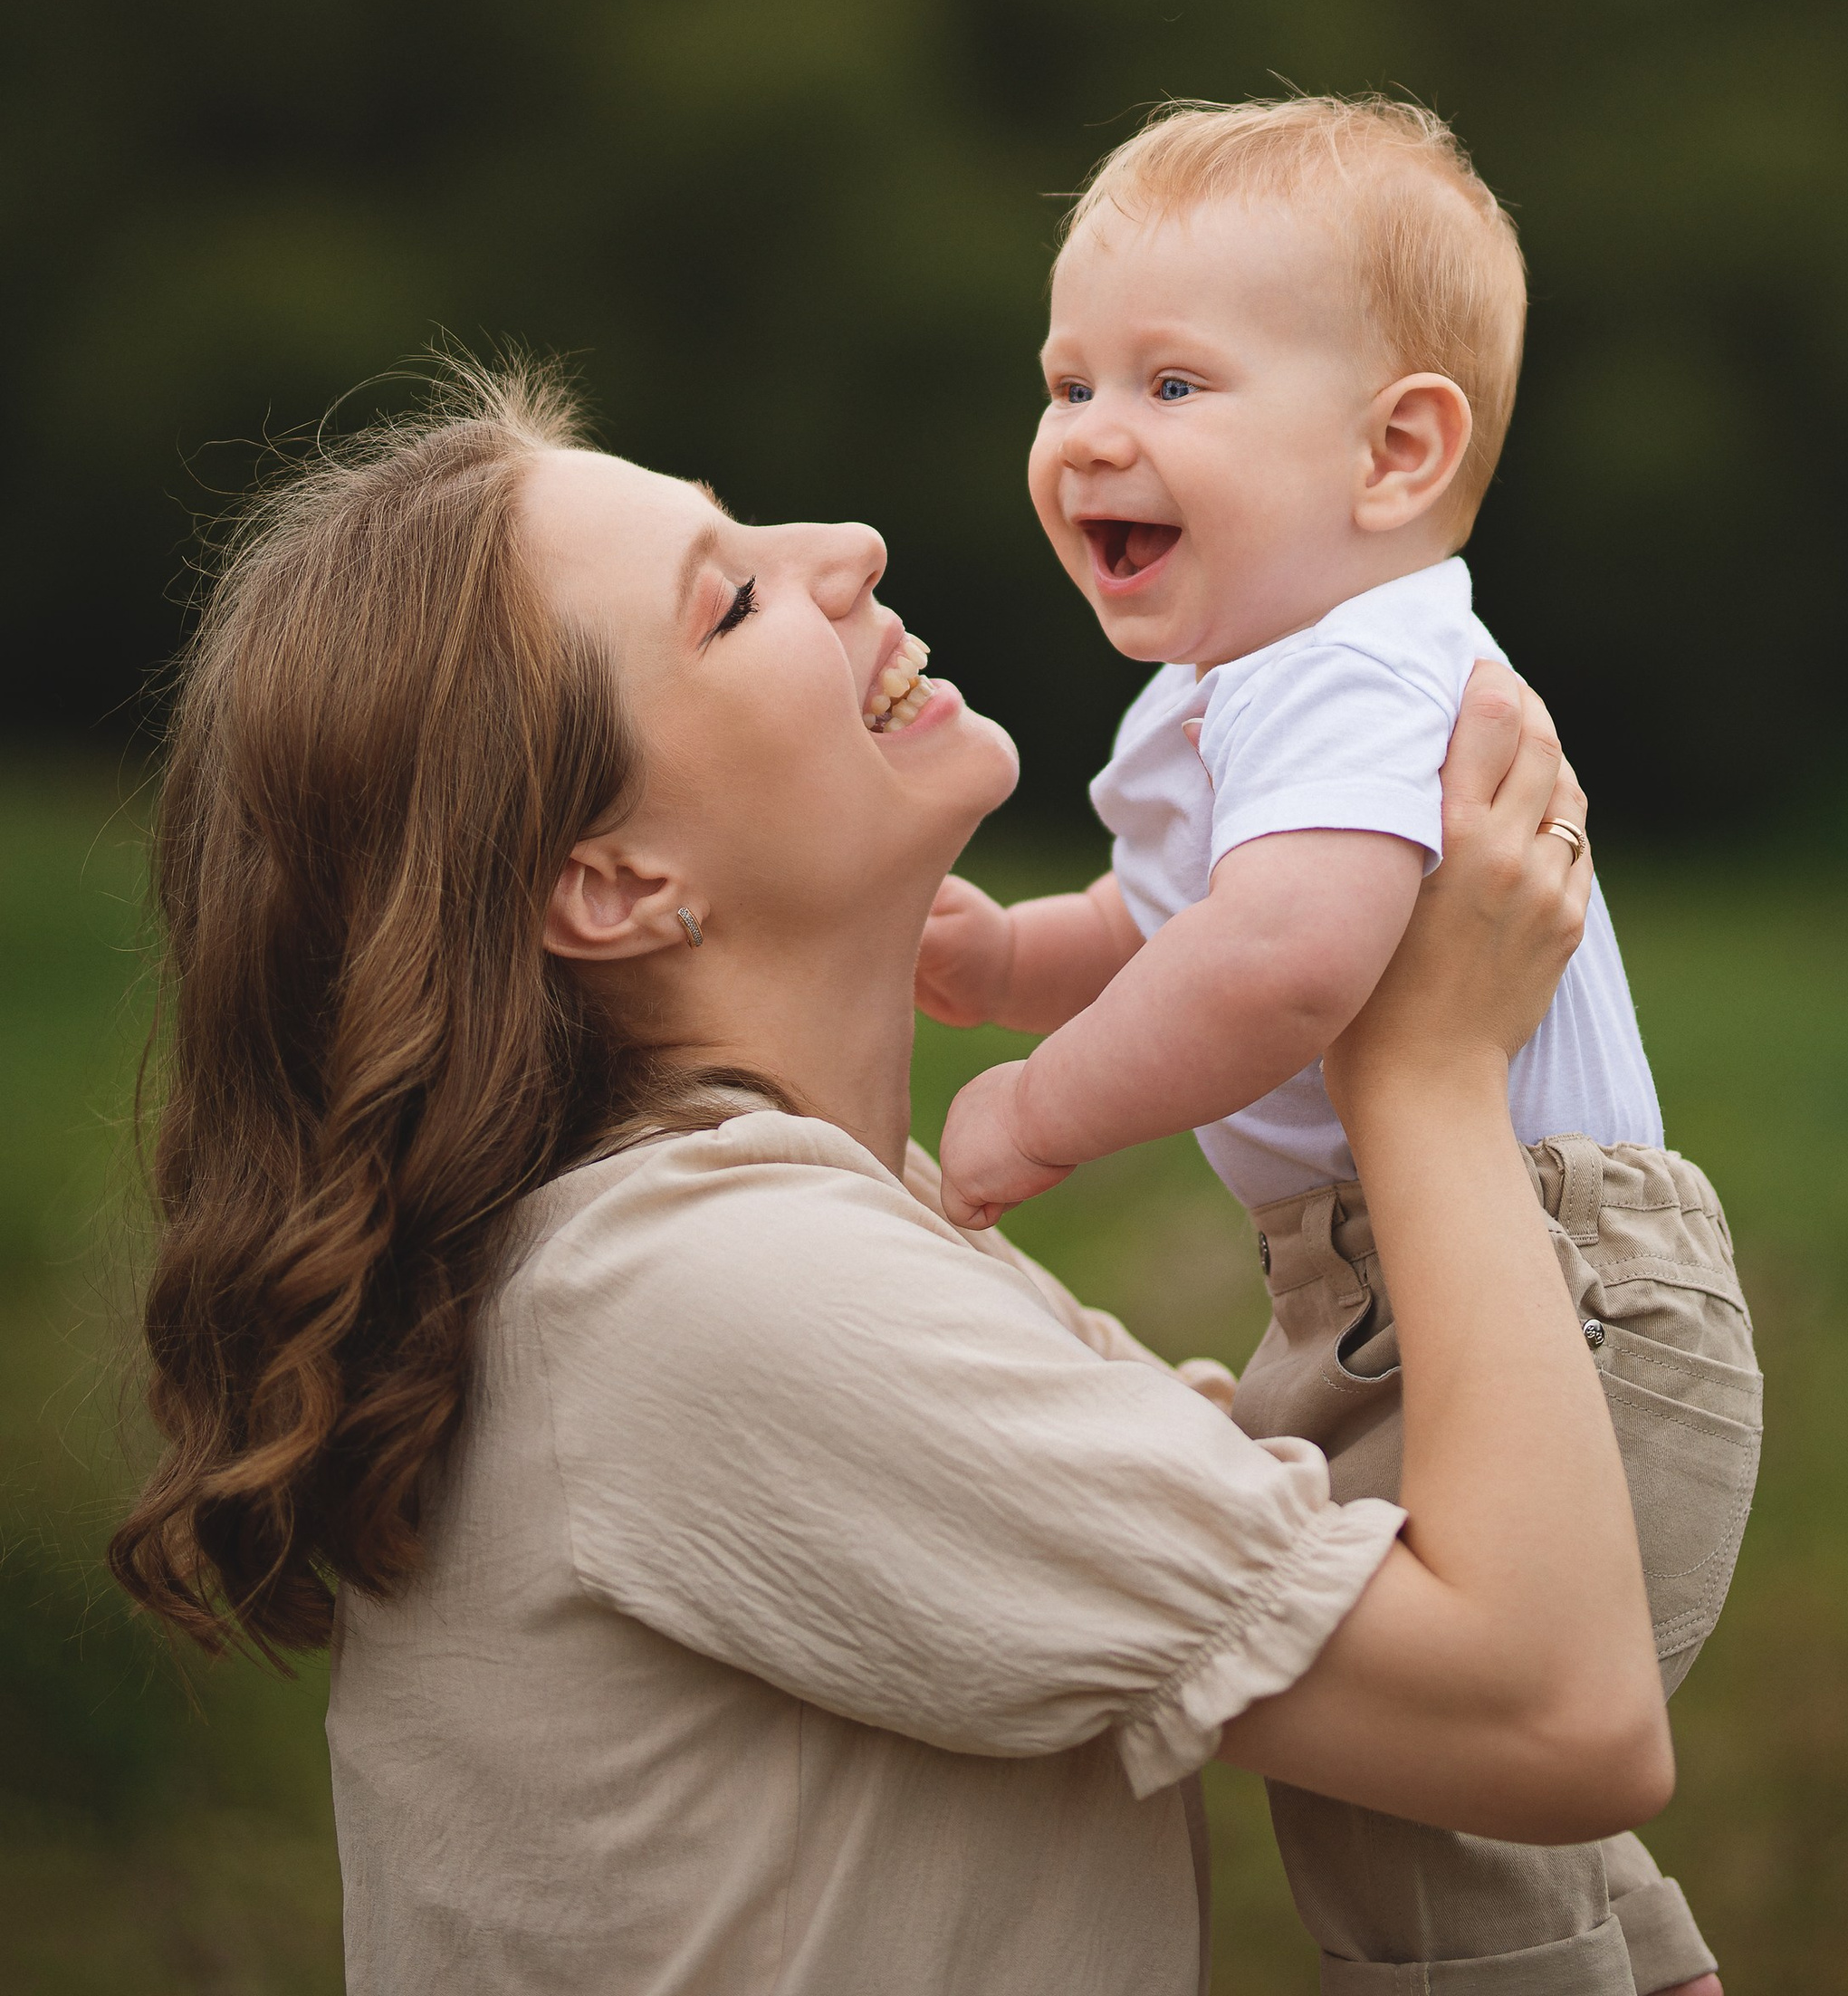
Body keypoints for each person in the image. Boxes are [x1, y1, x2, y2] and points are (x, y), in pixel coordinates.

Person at [110, 363, 1672, 1996]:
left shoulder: (790, 1231)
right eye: (730, 603)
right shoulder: (714, 1296)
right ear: (614, 879)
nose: (847, 545)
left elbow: (1321, 1549)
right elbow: (1559, 1711)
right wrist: (1425, 1069)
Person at [921, 98, 1759, 1996]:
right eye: (1064, 380)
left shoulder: (1358, 664)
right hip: (1403, 1282)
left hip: (1555, 1281)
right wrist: (1001, 960)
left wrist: (1033, 1114)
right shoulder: (1243, 689)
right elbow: (1178, 932)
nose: (1089, 432)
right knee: (1422, 1784)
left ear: (1394, 450)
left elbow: (1281, 968)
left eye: (1172, 380)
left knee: (1412, 1791)